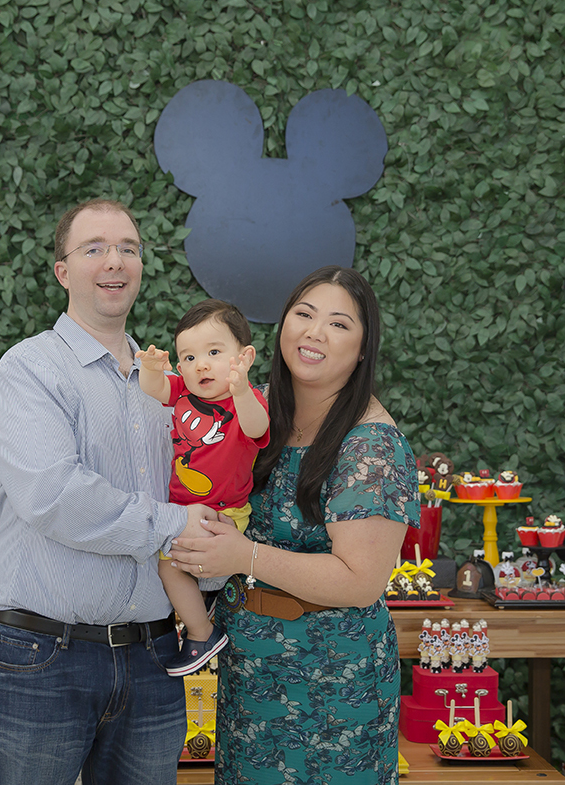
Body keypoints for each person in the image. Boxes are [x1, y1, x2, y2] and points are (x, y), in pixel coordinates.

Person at [0, 198, 219, 785]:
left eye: (128, 249)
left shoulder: (172, 383)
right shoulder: (30, 368)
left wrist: (214, 546)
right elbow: (54, 495)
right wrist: (176, 526)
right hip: (43, 658)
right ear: (63, 271)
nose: (115, 261)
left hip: (154, 656)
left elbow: (201, 483)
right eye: (95, 249)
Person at [168, 265, 421, 783]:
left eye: (339, 323)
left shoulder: (371, 444)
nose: (315, 332)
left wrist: (244, 555)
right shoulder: (249, 406)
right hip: (249, 667)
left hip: (334, 681)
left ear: (363, 348)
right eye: (304, 314)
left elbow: (361, 580)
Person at [136, 299, 270, 676]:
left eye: (214, 352)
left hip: (224, 513)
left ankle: (200, 631)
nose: (201, 365)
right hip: (180, 512)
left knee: (183, 567)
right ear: (181, 368)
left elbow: (258, 428)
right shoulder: (182, 392)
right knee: (169, 569)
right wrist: (151, 368)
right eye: (190, 357)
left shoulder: (246, 402)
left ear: (243, 357)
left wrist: (241, 390)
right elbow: (153, 388)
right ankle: (203, 622)